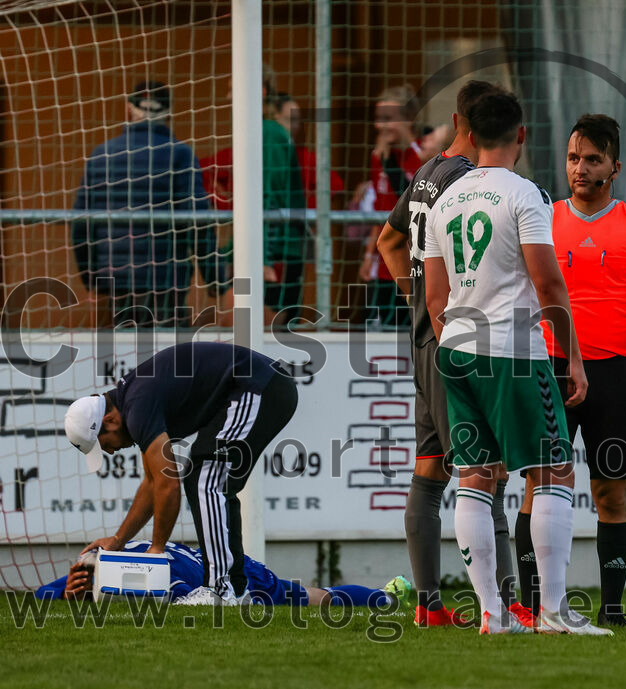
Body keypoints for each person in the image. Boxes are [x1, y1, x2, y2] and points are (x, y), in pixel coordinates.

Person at [423, 87, 611, 635]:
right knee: (554, 470)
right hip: (510, 350)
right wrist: (572, 358)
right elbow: (549, 282)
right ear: (521, 137)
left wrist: (459, 338)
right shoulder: (525, 195)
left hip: (455, 348)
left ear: (470, 136)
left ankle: (491, 614)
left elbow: (435, 299)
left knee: (477, 477)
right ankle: (552, 612)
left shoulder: (445, 200)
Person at [377, 80, 529, 628]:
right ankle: (508, 603)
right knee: (486, 473)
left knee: (430, 469)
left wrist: (415, 296)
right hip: (458, 340)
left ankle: (428, 605)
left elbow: (387, 241)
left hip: (424, 336)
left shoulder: (426, 175)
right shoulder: (471, 183)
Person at [515, 114, 626, 628]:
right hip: (548, 369)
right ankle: (533, 602)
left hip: (611, 374)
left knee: (610, 492)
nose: (579, 169)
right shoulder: (542, 217)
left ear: (615, 167)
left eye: (592, 160)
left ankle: (611, 607)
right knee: (539, 485)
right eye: (573, 158)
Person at [63, 342, 298, 606]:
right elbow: (153, 483)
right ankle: (235, 589)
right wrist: (119, 540)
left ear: (110, 421)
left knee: (205, 478)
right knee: (209, 478)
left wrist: (156, 549)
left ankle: (221, 590)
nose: (109, 452)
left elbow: (168, 483)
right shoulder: (133, 402)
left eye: (103, 444)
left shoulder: (137, 405)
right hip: (261, 386)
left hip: (260, 386)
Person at [71, 80, 227, 328]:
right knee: (170, 360)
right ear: (169, 114)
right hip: (166, 281)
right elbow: (197, 222)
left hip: (115, 280)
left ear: (127, 109)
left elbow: (81, 226)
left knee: (123, 359)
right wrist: (215, 278)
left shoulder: (102, 155)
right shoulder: (180, 154)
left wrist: (92, 277)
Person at [199, 67, 308, 327]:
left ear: (258, 91)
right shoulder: (261, 132)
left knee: (250, 333)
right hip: (262, 250)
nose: (227, 97)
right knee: (237, 330)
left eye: (231, 89)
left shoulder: (268, 134)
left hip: (272, 253)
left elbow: (266, 198)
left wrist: (263, 260)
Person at [37, 539, 410, 609]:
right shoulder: (105, 560)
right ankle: (386, 595)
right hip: (216, 559)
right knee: (314, 596)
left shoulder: (148, 571)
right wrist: (65, 594)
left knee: (312, 600)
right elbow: (41, 594)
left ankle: (388, 596)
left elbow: (188, 597)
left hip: (238, 573)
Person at [358, 85, 444, 329]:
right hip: (384, 264)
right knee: (377, 332)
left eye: (388, 119)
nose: (381, 126)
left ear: (408, 119)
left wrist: (390, 160)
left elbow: (409, 199)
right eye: (378, 119)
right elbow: (380, 210)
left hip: (416, 265)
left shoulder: (427, 153)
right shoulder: (379, 156)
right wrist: (368, 256)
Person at [271, 93, 345, 210]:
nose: (294, 126)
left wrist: (305, 209)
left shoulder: (304, 157)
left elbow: (335, 184)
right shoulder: (257, 153)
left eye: (297, 120)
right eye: (289, 119)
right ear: (275, 118)